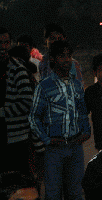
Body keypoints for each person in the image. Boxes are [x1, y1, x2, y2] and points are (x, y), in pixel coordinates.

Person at [29, 41, 91, 200]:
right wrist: (46, 139)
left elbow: (83, 112)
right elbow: (34, 117)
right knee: (53, 193)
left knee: (76, 192)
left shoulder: (77, 85)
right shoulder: (44, 86)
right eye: (62, 56)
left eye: (69, 56)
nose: (66, 59)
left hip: (76, 147)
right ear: (53, 60)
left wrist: (86, 131)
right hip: (54, 149)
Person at [0, 27, 34, 175]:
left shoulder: (17, 70)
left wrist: (1, 112)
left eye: (6, 42)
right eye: (0, 42)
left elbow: (27, 103)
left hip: (15, 139)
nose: (3, 47)